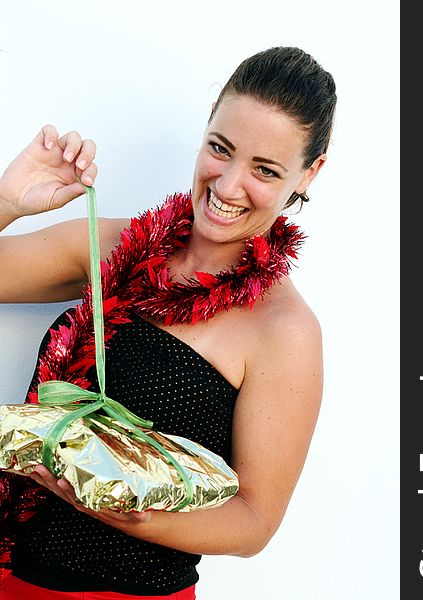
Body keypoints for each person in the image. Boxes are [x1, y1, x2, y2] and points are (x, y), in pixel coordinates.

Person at [0, 46, 336, 599]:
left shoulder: (285, 331)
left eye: (265, 169)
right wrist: (10, 199)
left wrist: (130, 515)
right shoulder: (108, 246)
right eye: (220, 149)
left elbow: (253, 520)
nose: (228, 185)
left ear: (310, 172)